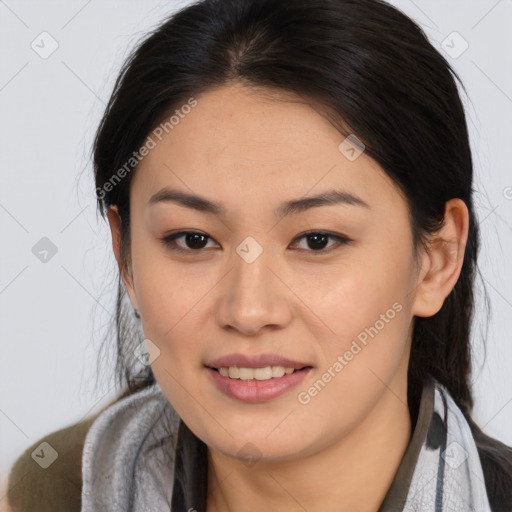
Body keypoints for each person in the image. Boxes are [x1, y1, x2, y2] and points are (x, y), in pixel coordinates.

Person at [6, 0, 512, 510]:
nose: (248, 311)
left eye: (318, 240)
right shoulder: (51, 490)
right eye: (193, 239)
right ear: (126, 256)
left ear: (437, 258)